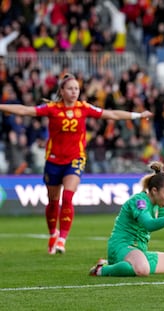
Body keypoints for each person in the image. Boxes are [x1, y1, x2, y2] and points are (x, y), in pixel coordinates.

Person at [0, 73, 153, 255]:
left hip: (75, 159)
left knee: (67, 198)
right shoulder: (52, 108)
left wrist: (137, 115)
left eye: (76, 89)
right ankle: (52, 234)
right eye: (70, 88)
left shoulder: (84, 108)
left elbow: (110, 114)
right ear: (62, 91)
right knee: (52, 201)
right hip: (53, 160)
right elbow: (26, 110)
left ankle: (62, 239)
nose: (74, 92)